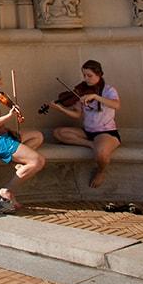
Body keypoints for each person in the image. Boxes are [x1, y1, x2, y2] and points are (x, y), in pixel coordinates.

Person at [0, 65, 45, 213]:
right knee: (38, 161)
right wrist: (9, 115)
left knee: (37, 136)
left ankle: (18, 163)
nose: (1, 83)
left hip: (3, 135)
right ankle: (7, 190)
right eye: (0, 79)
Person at [51, 60, 120, 188]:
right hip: (87, 132)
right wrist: (61, 109)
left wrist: (96, 96)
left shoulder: (109, 90)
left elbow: (116, 105)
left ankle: (101, 172)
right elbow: (77, 114)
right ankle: (91, 144)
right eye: (84, 75)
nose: (86, 79)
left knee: (102, 153)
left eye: (89, 76)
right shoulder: (82, 91)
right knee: (58, 133)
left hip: (105, 132)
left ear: (99, 74)